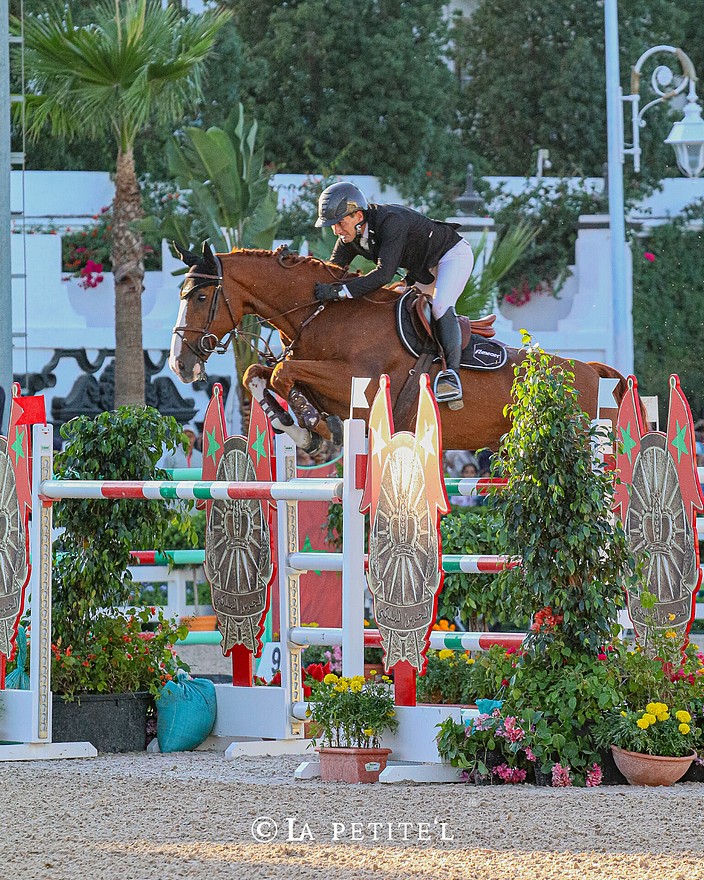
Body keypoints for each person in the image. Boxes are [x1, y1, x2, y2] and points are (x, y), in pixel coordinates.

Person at [313, 181, 474, 409]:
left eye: (340, 223)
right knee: (395, 302)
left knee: (440, 306)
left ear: (358, 216)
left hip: (451, 255)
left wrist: (342, 291)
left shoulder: (391, 221)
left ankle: (452, 377)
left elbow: (383, 275)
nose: (337, 231)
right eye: (332, 226)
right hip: (421, 270)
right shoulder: (349, 239)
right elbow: (331, 272)